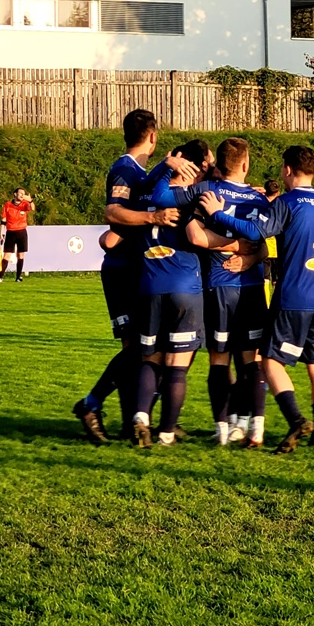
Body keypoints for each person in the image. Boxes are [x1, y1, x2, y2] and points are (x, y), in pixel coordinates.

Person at [200, 145, 314, 452]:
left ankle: (296, 420)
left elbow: (255, 231)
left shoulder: (288, 202)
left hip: (294, 297)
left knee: (270, 362)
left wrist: (218, 214)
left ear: (287, 169)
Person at [72, 109, 198, 445]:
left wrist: (164, 167)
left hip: (137, 270)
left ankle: (134, 421)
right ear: (153, 137)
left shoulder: (141, 173)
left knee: (143, 352)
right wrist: (153, 217)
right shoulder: (124, 169)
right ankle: (91, 404)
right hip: (123, 271)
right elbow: (113, 212)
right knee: (137, 350)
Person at [152, 137, 272, 448]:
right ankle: (254, 428)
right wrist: (246, 254)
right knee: (251, 360)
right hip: (251, 288)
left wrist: (167, 166)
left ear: (218, 164)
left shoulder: (206, 191)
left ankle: (222, 430)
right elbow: (262, 242)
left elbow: (162, 198)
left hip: (218, 287)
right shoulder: (258, 200)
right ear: (246, 164)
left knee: (219, 361)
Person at [130, 139, 212, 448]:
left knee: (150, 358)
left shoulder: (143, 194)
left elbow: (151, 190)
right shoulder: (193, 196)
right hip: (184, 288)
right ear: (191, 166)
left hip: (150, 287)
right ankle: (166, 434)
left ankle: (140, 417)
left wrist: (165, 166)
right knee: (177, 365)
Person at [0, 188, 34, 283]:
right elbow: (3, 220)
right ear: (15, 194)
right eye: (20, 193)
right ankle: (0, 276)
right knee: (7, 255)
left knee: (20, 254)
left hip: (22, 232)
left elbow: (32, 208)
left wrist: (30, 201)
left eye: (24, 194)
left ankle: (18, 277)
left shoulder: (24, 204)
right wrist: (1, 233)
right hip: (11, 232)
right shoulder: (7, 205)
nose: (22, 195)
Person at [261, 178, 282, 305]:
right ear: (278, 192)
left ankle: (266, 306)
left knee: (265, 279)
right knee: (277, 280)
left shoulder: (261, 204)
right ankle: (278, 305)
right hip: (278, 249)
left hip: (264, 248)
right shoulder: (281, 205)